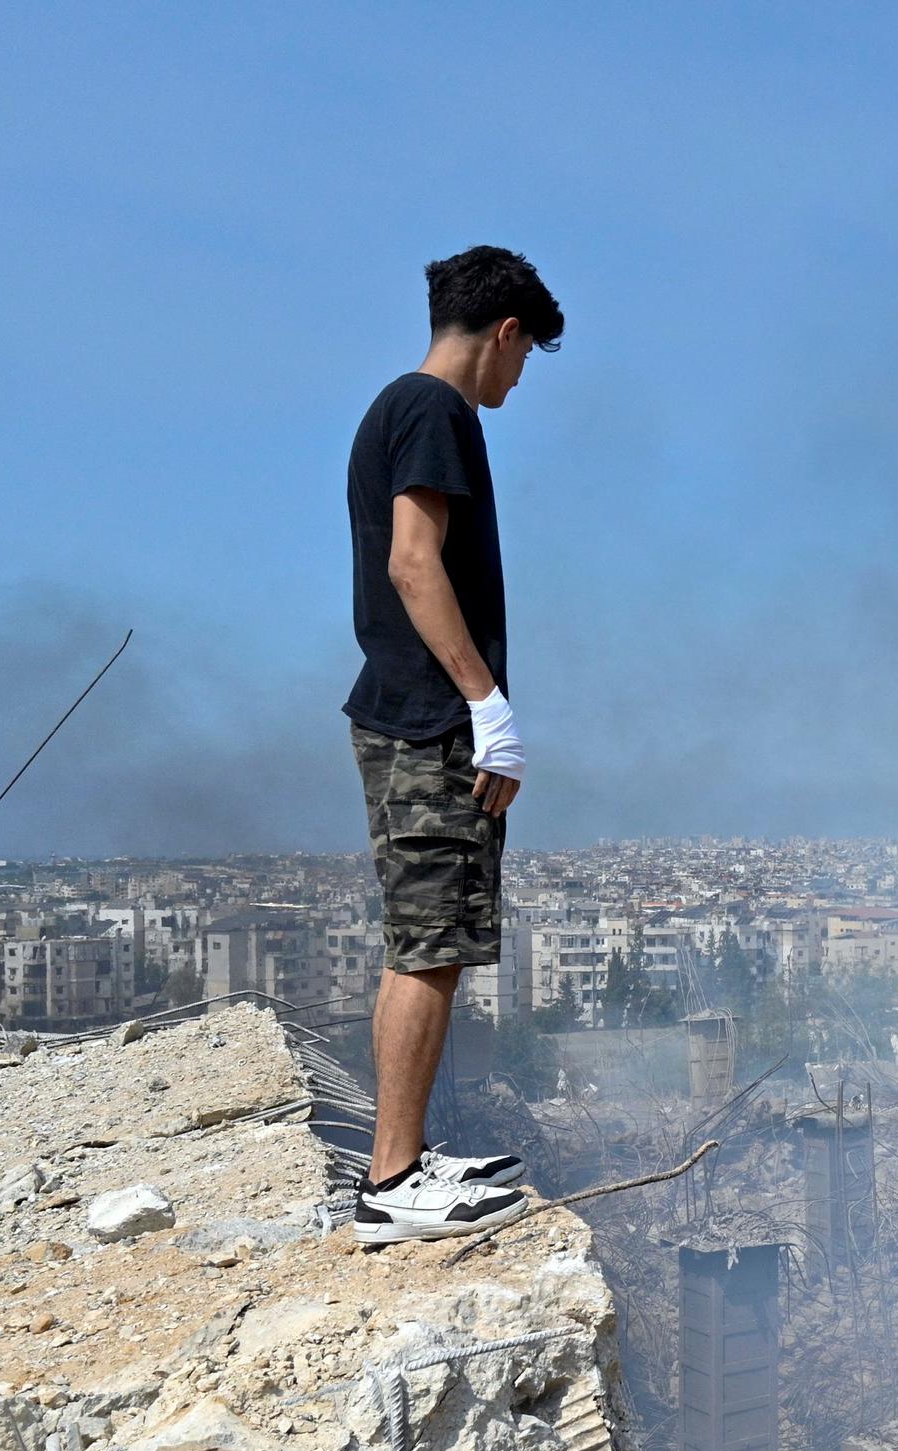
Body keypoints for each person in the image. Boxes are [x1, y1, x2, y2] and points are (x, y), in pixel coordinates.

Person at [342, 245, 562, 1243]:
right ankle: (392, 1182)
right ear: (504, 332)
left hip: (413, 713)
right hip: (429, 718)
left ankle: (404, 1159)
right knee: (430, 948)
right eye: (526, 356)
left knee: (421, 944)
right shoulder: (434, 410)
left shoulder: (401, 407)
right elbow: (412, 561)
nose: (520, 379)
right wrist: (487, 705)